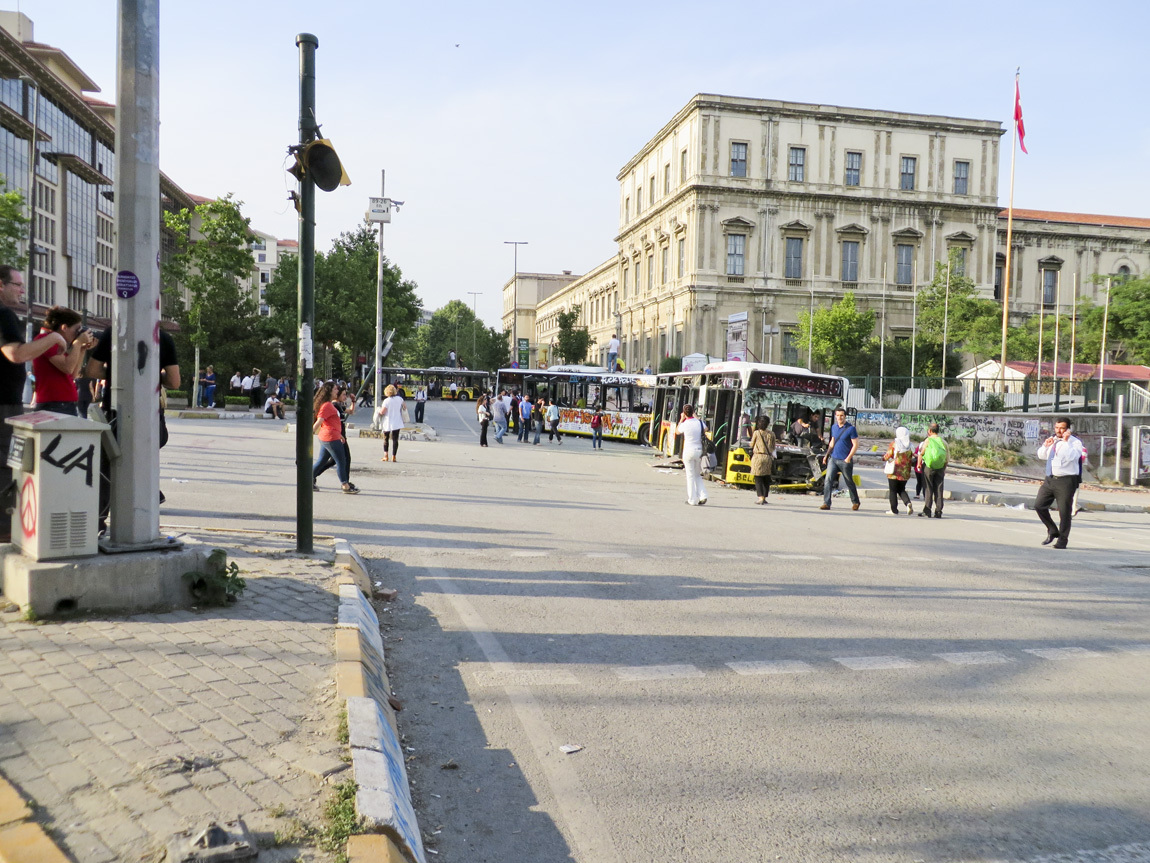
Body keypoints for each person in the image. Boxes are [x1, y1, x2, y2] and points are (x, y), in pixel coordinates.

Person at [0, 266, 72, 540]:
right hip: (4, 406)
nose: (22, 289)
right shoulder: (4, 314)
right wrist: (54, 338)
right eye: (17, 284)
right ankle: (6, 541)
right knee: (6, 473)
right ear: (1, 285)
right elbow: (16, 354)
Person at [31, 306, 97, 415]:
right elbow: (67, 367)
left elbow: (73, 373)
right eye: (77, 329)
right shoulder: (46, 340)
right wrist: (78, 343)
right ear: (64, 327)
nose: (79, 333)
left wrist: (82, 348)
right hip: (53, 403)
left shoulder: (59, 344)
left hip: (64, 403)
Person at [1034, 416, 1084, 549]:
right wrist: (1046, 446)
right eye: (1057, 428)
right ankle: (1052, 530)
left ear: (1068, 429)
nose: (1059, 431)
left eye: (1062, 428)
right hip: (1050, 479)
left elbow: (1072, 457)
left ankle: (1062, 540)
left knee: (1064, 512)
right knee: (1039, 505)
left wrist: (1066, 441)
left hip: (1066, 480)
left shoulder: (1075, 443)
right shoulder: (1054, 441)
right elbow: (1041, 456)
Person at [312, 382, 358, 494]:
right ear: (329, 391)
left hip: (331, 435)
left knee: (322, 460)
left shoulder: (329, 404)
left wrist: (340, 435)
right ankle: (345, 485)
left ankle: (308, 479)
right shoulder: (327, 405)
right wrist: (309, 433)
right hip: (330, 438)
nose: (337, 391)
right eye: (335, 389)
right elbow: (319, 421)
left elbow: (332, 423)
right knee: (341, 461)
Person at [820, 407, 860, 511]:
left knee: (848, 481)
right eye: (837, 415)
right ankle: (826, 503)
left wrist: (848, 458)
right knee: (828, 480)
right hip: (833, 458)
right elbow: (832, 443)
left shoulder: (851, 429)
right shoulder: (834, 427)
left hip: (845, 460)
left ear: (845, 416)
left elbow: (855, 445)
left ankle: (855, 502)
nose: (839, 417)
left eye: (841, 415)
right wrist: (826, 455)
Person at [677, 404, 708, 506]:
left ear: (684, 413)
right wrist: (697, 417)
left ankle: (692, 499)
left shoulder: (685, 424)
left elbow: (677, 431)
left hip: (688, 451)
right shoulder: (698, 422)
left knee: (690, 476)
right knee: (697, 475)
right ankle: (703, 495)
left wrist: (681, 419)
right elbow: (706, 428)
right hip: (699, 451)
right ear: (693, 412)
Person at [917, 422, 949, 519]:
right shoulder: (943, 442)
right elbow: (947, 458)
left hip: (928, 467)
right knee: (939, 489)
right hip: (940, 467)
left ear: (930, 431)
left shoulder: (928, 440)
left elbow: (921, 453)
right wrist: (943, 468)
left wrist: (919, 464)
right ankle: (938, 511)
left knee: (928, 488)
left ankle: (927, 510)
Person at [883, 426, 914, 515]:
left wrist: (883, 458)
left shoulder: (895, 444)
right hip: (905, 472)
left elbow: (888, 455)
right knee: (901, 489)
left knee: (892, 490)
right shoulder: (910, 445)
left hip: (894, 471)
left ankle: (894, 510)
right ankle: (907, 503)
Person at [749, 416, 776, 504]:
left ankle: (760, 497)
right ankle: (764, 497)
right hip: (768, 457)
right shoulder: (772, 434)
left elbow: (751, 444)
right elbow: (773, 446)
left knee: (758, 478)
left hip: (758, 457)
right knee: (766, 478)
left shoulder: (756, 433)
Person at [376, 383, 405, 462]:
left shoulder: (386, 401)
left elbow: (382, 412)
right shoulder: (400, 399)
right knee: (395, 439)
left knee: (386, 439)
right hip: (397, 421)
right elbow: (404, 407)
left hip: (387, 422)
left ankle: (386, 455)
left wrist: (378, 411)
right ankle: (394, 456)